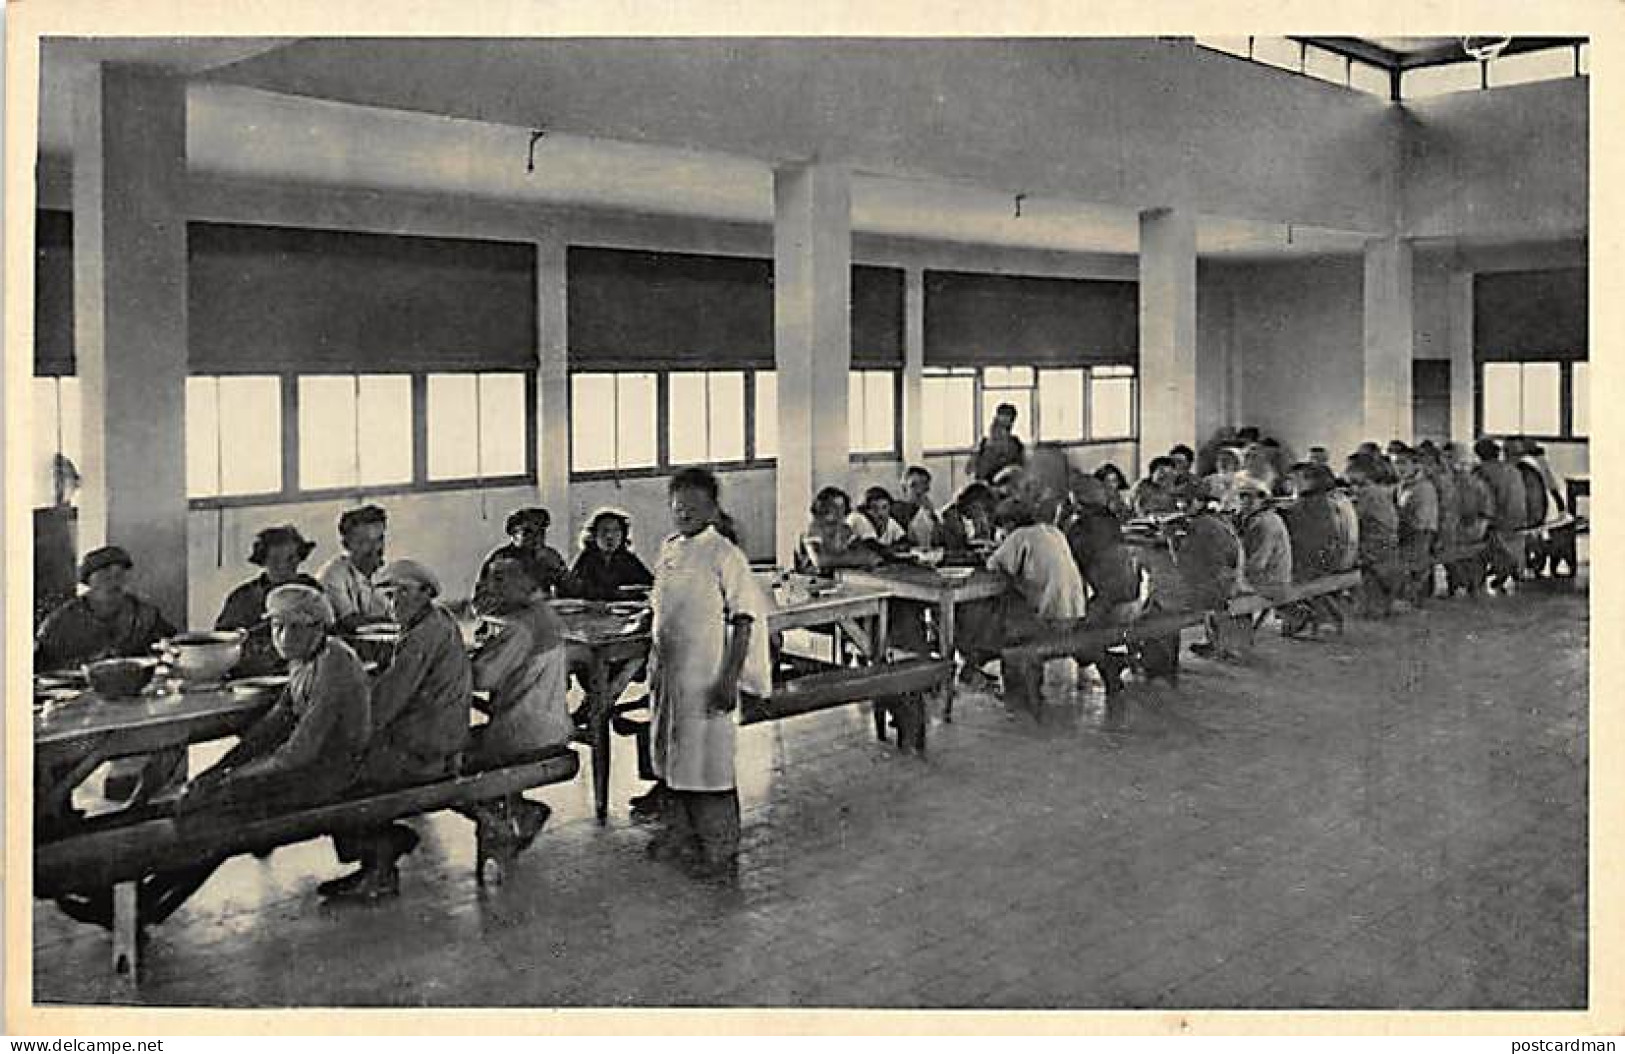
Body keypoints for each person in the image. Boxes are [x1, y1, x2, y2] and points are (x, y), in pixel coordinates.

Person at [54, 586, 373, 931]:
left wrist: (229, 780)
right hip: (308, 769)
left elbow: (300, 753)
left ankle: (146, 906)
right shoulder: (305, 658)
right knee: (201, 803)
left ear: (319, 627)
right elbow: (270, 727)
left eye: (294, 627)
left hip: (331, 776)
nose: (283, 636)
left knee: (219, 817)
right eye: (277, 626)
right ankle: (140, 901)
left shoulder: (334, 665)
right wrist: (220, 769)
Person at [646, 468, 773, 880]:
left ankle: (720, 852)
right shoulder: (668, 549)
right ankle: (683, 838)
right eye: (678, 506)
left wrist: (728, 678)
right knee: (673, 761)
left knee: (710, 767)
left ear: (713, 508)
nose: (684, 513)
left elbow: (744, 620)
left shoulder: (724, 554)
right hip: (671, 676)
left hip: (707, 675)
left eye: (695, 506)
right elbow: (660, 606)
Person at [318, 559, 471, 899]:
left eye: (404, 593)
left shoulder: (421, 637)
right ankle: (380, 854)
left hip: (427, 748)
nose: (394, 603)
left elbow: (385, 704)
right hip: (436, 737)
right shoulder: (436, 620)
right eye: (387, 595)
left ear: (426, 593)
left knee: (338, 772)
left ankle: (379, 862)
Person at [36, 545, 182, 803]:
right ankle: (57, 807)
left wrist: (165, 657)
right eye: (104, 574)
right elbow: (40, 672)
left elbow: (171, 644)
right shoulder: (62, 622)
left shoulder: (142, 613)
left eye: (120, 574)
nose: (114, 581)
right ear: (88, 581)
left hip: (133, 700)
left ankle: (140, 803)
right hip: (76, 707)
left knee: (174, 734)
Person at [466, 553, 574, 862]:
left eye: (500, 578)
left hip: (523, 734)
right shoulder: (545, 615)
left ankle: (511, 817)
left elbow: (482, 678)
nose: (490, 585)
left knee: (443, 762)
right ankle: (511, 815)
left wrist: (460, 661)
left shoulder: (520, 626)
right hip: (552, 726)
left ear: (529, 582)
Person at [959, 497, 1087, 709]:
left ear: (1009, 524)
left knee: (991, 616)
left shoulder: (1019, 537)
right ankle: (979, 668)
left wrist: (992, 552)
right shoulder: (1052, 531)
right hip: (1075, 616)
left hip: (1049, 622)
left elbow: (993, 566)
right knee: (1009, 611)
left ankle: (1001, 684)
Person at [216, 525, 323, 675]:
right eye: (275, 559)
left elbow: (328, 630)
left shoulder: (311, 590)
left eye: (291, 559)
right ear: (263, 561)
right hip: (259, 673)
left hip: (307, 670)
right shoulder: (243, 598)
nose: (283, 566)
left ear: (300, 558)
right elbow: (224, 645)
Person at [1062, 499, 1142, 694]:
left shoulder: (1082, 537)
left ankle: (1109, 663)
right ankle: (1114, 662)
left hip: (1113, 604)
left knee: (1073, 640)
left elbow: (1084, 588)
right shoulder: (1113, 530)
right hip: (1135, 601)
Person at [1175, 481, 1249, 659]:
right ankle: (1218, 642)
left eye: (1187, 501)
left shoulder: (1201, 525)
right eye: (1179, 501)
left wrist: (1171, 540)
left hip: (1219, 587)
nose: (1181, 506)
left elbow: (1182, 563)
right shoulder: (1217, 519)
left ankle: (1217, 643)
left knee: (1165, 593)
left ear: (1201, 502)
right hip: (1232, 579)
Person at [1281, 463, 1354, 637]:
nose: (1291, 484)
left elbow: (1302, 539)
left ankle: (1300, 616)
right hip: (1336, 558)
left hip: (1315, 565)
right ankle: (1316, 615)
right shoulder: (1330, 500)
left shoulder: (1307, 505)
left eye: (1295, 479)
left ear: (1309, 481)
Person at [316, 504, 391, 633]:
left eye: (379, 539)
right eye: (364, 542)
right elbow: (350, 622)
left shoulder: (386, 574)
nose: (375, 548)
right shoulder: (333, 574)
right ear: (346, 545)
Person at [1347, 452, 1401, 617]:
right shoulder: (1378, 492)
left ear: (1361, 473)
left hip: (1374, 547)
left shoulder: (1368, 495)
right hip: (1388, 545)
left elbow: (1354, 519)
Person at [477, 508, 568, 604]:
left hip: (541, 614)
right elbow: (482, 602)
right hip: (511, 616)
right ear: (513, 534)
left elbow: (570, 593)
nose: (536, 537)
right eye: (528, 532)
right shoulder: (500, 559)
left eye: (541, 531)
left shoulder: (550, 556)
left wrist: (559, 572)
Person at [561, 509, 655, 601]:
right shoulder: (587, 558)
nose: (609, 536)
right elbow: (573, 589)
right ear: (594, 535)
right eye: (604, 531)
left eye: (616, 531)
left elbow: (649, 586)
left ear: (623, 535)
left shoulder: (629, 559)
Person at [1472, 438, 1525, 594]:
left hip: (1498, 522)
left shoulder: (1480, 472)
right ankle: (1509, 570)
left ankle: (1480, 577)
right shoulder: (1513, 470)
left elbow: (1480, 501)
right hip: (1519, 519)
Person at [1444, 442, 1494, 597]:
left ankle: (1468, 587)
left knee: (1468, 565)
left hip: (1468, 530)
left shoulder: (1474, 485)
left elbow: (1486, 510)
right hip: (1460, 531)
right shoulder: (1453, 483)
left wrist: (1478, 528)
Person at [1393, 447, 1440, 605]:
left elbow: (1420, 521)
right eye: (1396, 463)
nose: (1399, 468)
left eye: (1403, 463)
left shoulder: (1423, 487)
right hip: (1409, 532)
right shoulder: (1403, 485)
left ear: (1416, 465)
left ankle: (1414, 597)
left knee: (1416, 568)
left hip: (1420, 534)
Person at [797, 486, 880, 574]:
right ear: (822, 508)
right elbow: (820, 560)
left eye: (842, 508)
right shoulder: (814, 529)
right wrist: (855, 558)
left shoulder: (845, 529)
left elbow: (868, 554)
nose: (839, 513)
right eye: (834, 508)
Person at [1236, 476, 1292, 606]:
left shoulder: (1265, 523)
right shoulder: (1262, 518)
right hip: (1273, 579)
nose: (1245, 501)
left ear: (1263, 499)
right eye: (1242, 496)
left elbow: (1257, 564)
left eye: (1250, 496)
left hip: (1272, 583)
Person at [937, 482, 999, 555]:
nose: (983, 513)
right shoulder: (950, 516)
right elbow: (958, 547)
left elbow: (982, 539)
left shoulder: (965, 517)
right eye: (983, 508)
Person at [891, 466, 944, 548]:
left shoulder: (930, 513)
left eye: (923, 485)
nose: (919, 491)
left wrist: (932, 515)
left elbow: (939, 541)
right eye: (913, 485)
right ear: (904, 488)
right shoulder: (894, 510)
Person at [970, 403, 1026, 482]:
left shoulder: (1016, 444)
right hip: (985, 484)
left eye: (1008, 416)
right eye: (1002, 415)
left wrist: (1008, 471)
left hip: (1007, 484)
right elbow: (972, 469)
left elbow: (1020, 468)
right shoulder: (984, 443)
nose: (1004, 419)